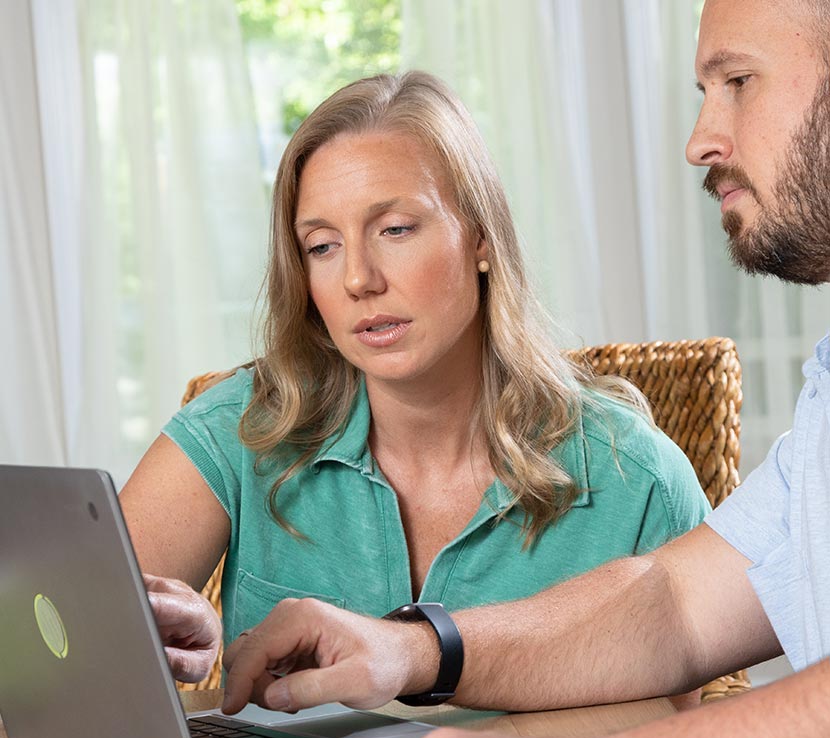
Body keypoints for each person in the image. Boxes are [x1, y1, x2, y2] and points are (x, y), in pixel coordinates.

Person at [218, 0, 830, 738]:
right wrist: (412, 649)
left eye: (738, 82)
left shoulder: (623, 462)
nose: (701, 140)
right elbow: (675, 603)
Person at [123, 71, 708, 684]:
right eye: (322, 245)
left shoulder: (635, 480)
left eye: (395, 230)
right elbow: (66, 645)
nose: (358, 279)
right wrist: (158, 643)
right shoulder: (240, 428)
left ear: (481, 238)